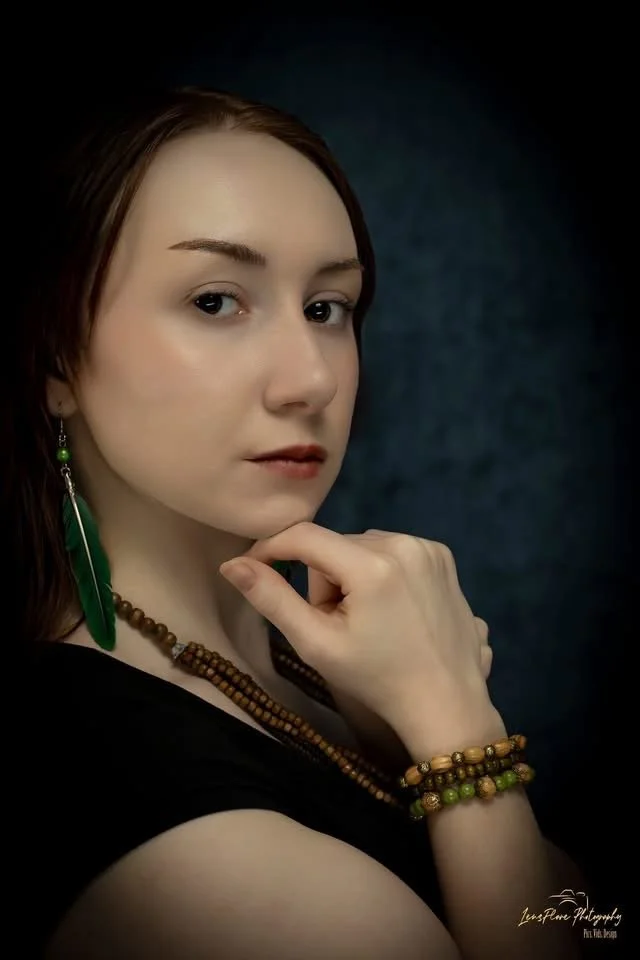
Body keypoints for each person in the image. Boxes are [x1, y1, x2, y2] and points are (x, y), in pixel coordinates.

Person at [13, 85, 585, 959]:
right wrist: (463, 740)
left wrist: (404, 741)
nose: (311, 379)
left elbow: (588, 921)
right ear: (57, 356)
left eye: (327, 308)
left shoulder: (316, 679)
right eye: (216, 301)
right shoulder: (152, 815)